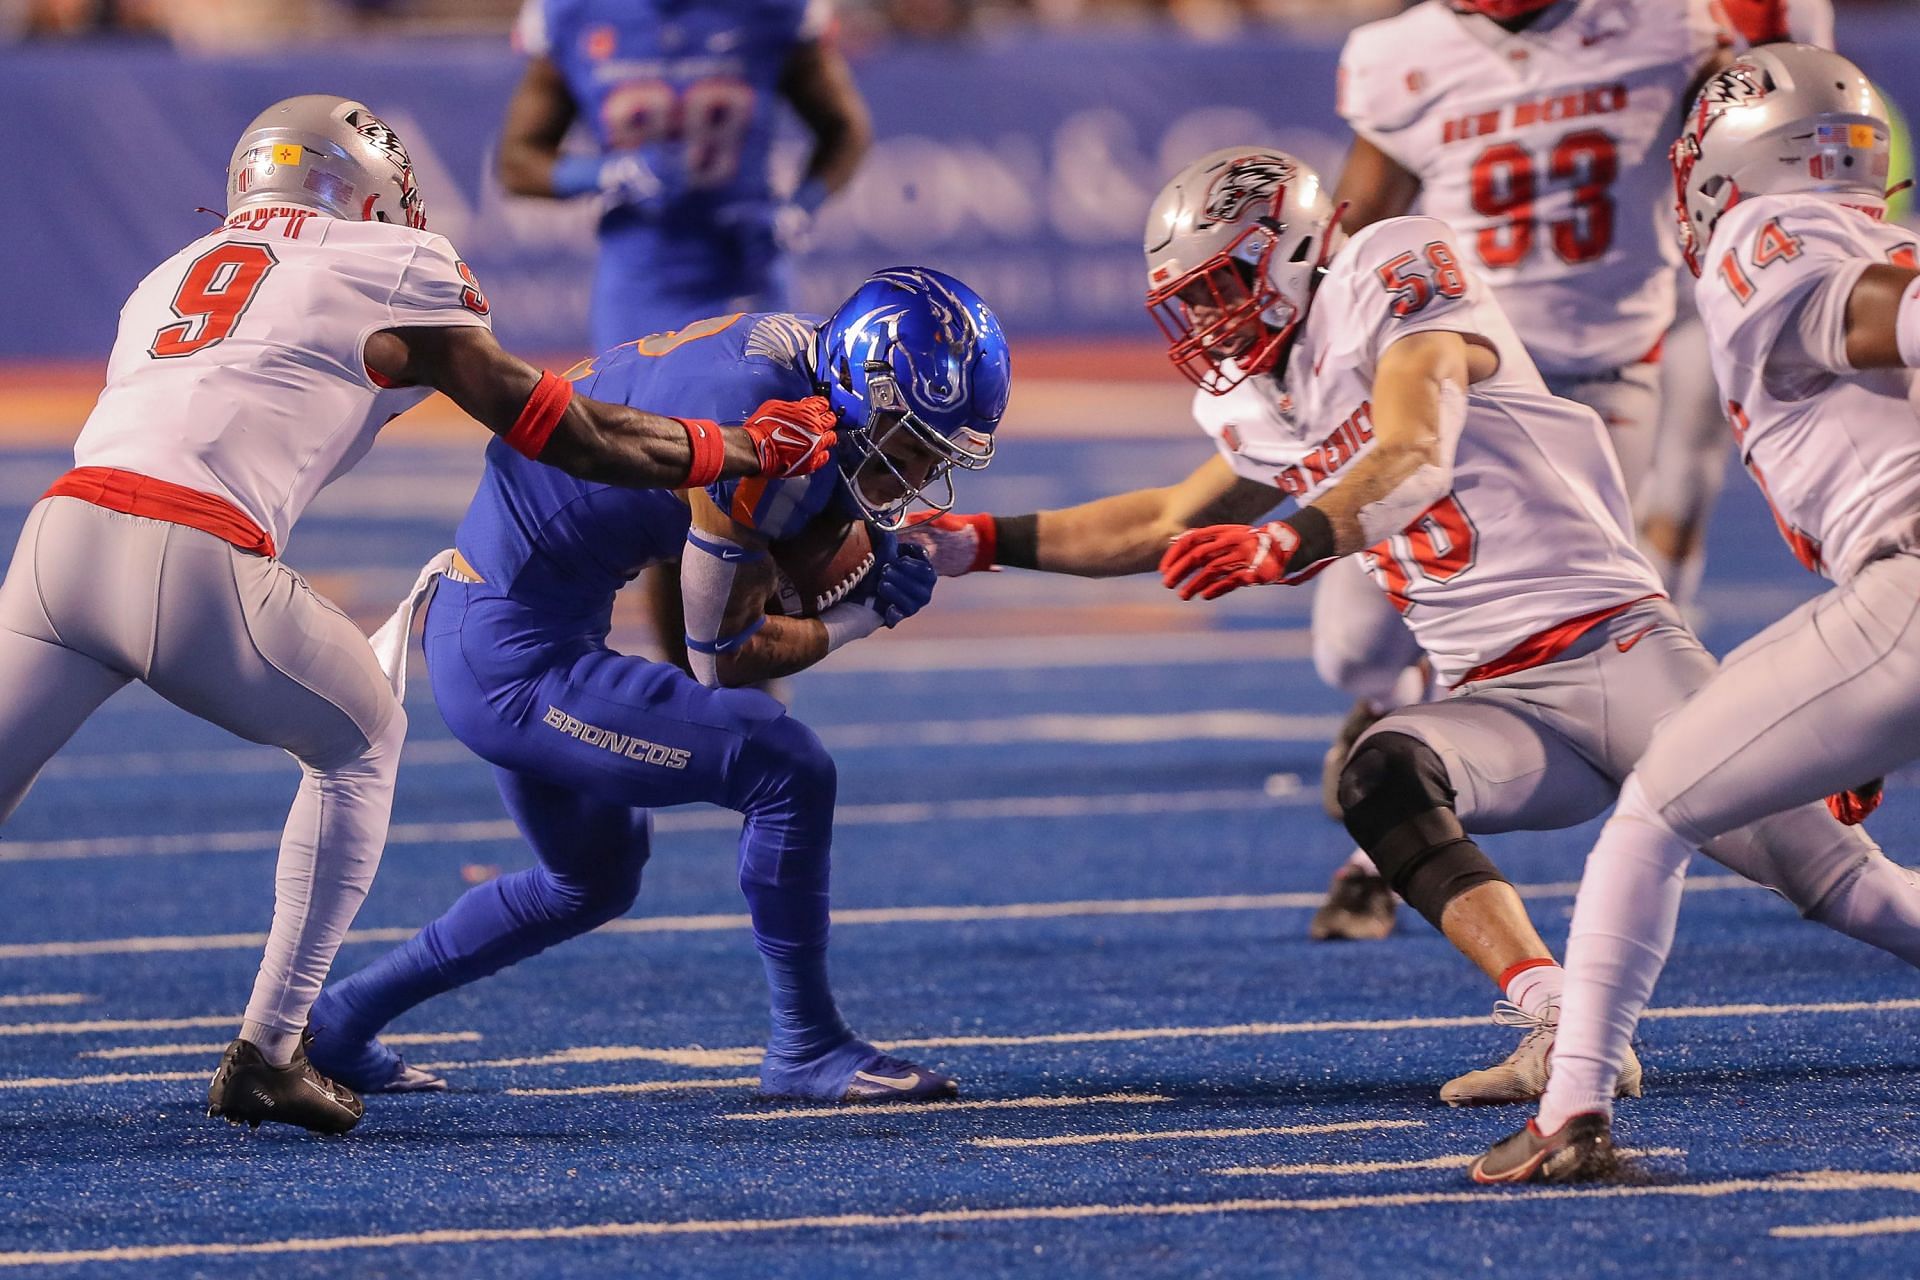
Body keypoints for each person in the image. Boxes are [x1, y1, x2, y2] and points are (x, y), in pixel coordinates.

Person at [907, 147, 1920, 1106]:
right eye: (1193, 302)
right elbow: (1167, 517)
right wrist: (985, 540)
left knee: (1852, 891)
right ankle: (1559, 1020)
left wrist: (1288, 540)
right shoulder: (1265, 399)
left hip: (1617, 654)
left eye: (1223, 288)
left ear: (1296, 251)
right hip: (1495, 694)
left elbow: (1415, 450)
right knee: (1379, 775)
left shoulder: (1391, 271)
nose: (1210, 323)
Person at [0, 94, 837, 1136]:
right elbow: (568, 436)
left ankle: (289, 1041)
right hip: (192, 546)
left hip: (57, 540)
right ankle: (270, 1047)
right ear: (361, 189)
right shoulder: (396, 264)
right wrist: (740, 448)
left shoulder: (169, 272)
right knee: (362, 739)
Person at [308, 268, 1007, 1106]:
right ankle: (807, 1046)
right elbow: (725, 657)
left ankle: (340, 1022)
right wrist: (862, 615)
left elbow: (785, 533)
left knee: (592, 879)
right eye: (909, 446)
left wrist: (842, 553)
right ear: (866, 386)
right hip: (512, 659)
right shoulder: (755, 423)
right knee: (787, 767)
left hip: (496, 617)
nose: (915, 472)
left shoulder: (803, 361)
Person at [1474, 45, 1920, 1183]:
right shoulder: (1861, 226)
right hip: (1887, 603)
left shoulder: (1767, 234)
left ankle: (1570, 1103)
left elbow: (1880, 314)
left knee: (1658, 800)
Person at [1297, 0, 1738, 897]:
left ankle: (1700, 786)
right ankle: (1388, 708)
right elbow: (1356, 234)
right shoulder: (1400, 55)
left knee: (1583, 617)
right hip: (1450, 379)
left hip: (1601, 379)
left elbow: (1733, 156)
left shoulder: (1674, 25)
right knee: (1349, 646)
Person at [502, 0, 874, 676]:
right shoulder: (574, 14)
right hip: (642, 285)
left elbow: (845, 129)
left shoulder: (773, 11)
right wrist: (604, 173)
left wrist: (802, 206)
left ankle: (757, 667)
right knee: (668, 492)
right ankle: (698, 681)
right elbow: (518, 160)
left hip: (747, 277)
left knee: (781, 477)